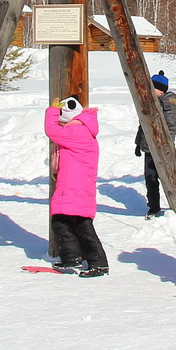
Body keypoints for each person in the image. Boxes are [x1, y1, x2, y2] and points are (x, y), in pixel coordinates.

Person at [43, 96, 108, 277]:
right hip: (72, 185)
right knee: (62, 222)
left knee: (82, 225)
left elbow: (51, 130)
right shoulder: (80, 129)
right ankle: (72, 258)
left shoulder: (77, 132)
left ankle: (99, 263)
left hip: (76, 187)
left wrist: (52, 110)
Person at [133, 71, 176, 218]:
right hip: (149, 148)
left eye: (154, 89)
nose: (151, 91)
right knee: (150, 178)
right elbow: (142, 125)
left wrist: (168, 145)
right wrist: (138, 143)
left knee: (169, 177)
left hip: (163, 148)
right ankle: (153, 206)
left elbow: (171, 126)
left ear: (162, 90)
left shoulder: (168, 104)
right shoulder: (148, 102)